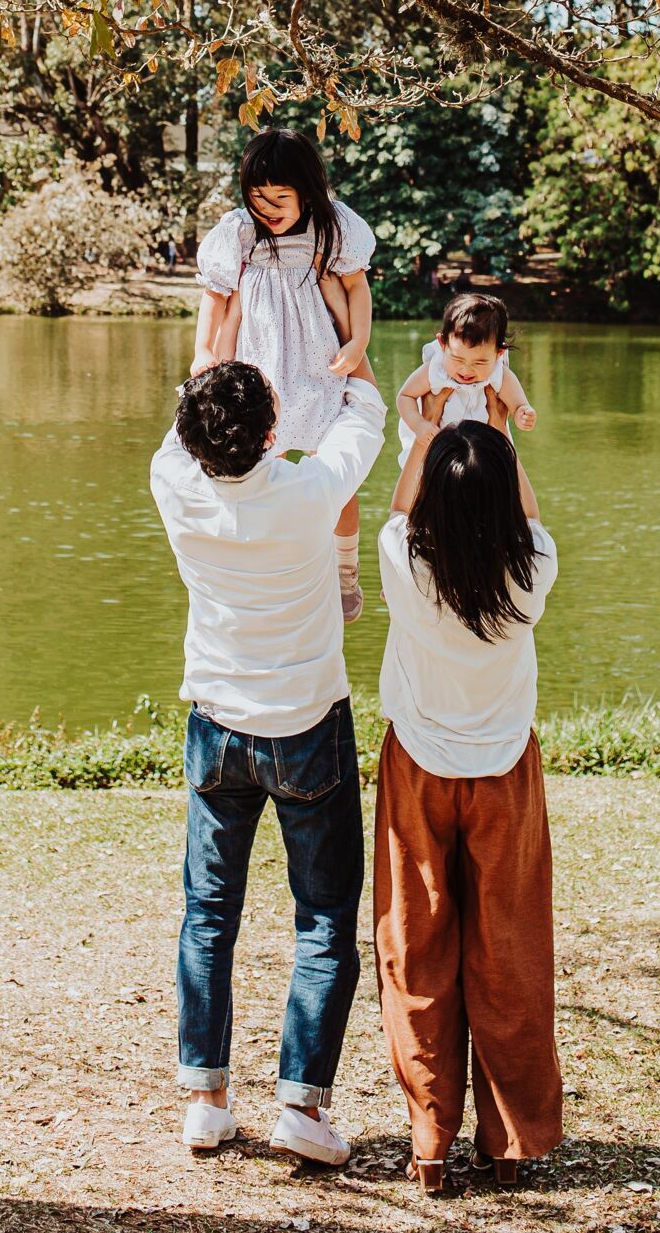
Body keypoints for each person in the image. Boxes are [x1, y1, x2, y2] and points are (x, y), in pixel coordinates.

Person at [150, 357, 387, 1166]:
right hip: (306, 729)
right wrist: (348, 366)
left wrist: (205, 367)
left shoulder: (173, 485)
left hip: (216, 726)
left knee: (208, 915)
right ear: (272, 434)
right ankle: (301, 1108)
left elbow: (181, 430)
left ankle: (206, 1102)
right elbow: (367, 420)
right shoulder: (308, 491)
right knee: (322, 919)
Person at [373, 388, 562, 1194]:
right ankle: (510, 1140)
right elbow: (523, 514)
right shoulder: (532, 570)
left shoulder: (407, 564)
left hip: (417, 767)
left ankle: (429, 1141)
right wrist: (496, 437)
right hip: (504, 773)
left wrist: (422, 437)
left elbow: (400, 504)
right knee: (509, 952)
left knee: (415, 950)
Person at [191, 128, 376, 622]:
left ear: (307, 190)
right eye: (257, 197)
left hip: (318, 361)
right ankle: (259, 566)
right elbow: (215, 298)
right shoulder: (239, 232)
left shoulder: (332, 225)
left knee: (338, 478)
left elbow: (357, 289)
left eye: (280, 197)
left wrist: (358, 342)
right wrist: (202, 356)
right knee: (252, 472)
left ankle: (345, 570)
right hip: (260, 366)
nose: (268, 209)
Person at [396, 292, 536, 468]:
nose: (467, 370)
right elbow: (405, 396)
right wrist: (419, 425)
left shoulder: (499, 374)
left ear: (499, 353)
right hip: (438, 449)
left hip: (482, 453)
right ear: (442, 343)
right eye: (458, 360)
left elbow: (518, 405)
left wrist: (523, 414)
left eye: (480, 362)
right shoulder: (436, 369)